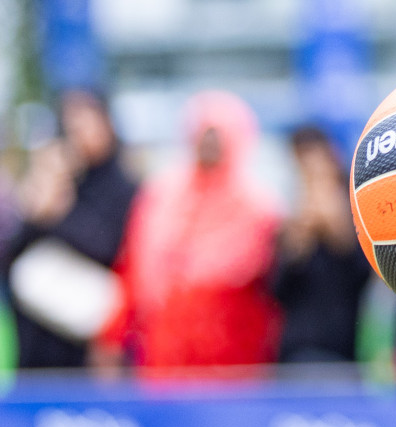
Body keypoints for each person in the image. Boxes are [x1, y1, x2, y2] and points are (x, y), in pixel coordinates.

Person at [102, 90, 282, 374]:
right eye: (203, 133)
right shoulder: (162, 196)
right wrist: (113, 337)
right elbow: (136, 271)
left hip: (232, 355)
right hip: (164, 350)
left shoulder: (256, 207)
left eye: (217, 135)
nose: (209, 144)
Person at [0, 89, 137, 369]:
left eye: (86, 121)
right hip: (37, 340)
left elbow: (109, 248)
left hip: (92, 351)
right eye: (71, 124)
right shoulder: (55, 182)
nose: (80, 132)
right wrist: (36, 208)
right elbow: (12, 261)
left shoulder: (125, 191)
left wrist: (60, 214)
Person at [271, 125, 372, 363]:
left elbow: (362, 276)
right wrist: (297, 245)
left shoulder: (357, 214)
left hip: (343, 351)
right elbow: (277, 292)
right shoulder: (291, 220)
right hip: (293, 351)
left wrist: (338, 230)